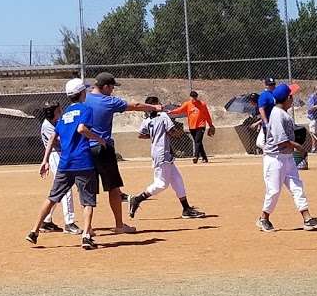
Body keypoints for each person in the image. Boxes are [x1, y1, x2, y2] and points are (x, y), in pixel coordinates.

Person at [28, 78, 106, 250]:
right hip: (83, 162)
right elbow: (82, 129)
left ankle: (34, 230)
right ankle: (86, 236)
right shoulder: (85, 109)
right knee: (87, 201)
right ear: (82, 93)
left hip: (65, 163)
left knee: (52, 198)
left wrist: (44, 160)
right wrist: (100, 139)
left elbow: (53, 138)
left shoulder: (64, 116)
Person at [85, 72, 162, 234]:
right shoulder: (109, 101)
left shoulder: (84, 98)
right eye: (111, 87)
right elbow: (135, 106)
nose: (113, 90)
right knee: (113, 188)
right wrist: (154, 107)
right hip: (103, 148)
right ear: (105, 87)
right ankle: (119, 225)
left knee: (89, 189)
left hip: (85, 149)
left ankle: (88, 228)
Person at [257, 83, 317, 233]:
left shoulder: (283, 113)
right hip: (275, 158)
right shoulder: (276, 114)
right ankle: (263, 218)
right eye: (291, 96)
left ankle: (307, 219)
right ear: (288, 98)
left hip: (286, 157)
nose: (292, 98)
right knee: (274, 191)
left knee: (297, 187)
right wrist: (300, 147)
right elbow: (281, 141)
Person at [128, 97, 206, 219]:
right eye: (157, 103)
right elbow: (172, 131)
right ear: (153, 105)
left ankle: (186, 209)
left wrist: (156, 135)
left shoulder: (147, 120)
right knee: (161, 184)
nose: (160, 105)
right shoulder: (163, 116)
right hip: (162, 153)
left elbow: (141, 135)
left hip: (161, 153)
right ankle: (137, 199)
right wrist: (179, 133)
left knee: (177, 180)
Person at [38, 102, 82, 235]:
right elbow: (59, 142)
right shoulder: (47, 125)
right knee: (66, 189)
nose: (61, 112)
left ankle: (46, 221)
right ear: (52, 112)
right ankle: (69, 223)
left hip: (61, 155)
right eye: (58, 110)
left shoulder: (57, 122)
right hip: (56, 156)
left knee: (57, 190)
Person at [169, 90, 215, 163]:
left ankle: (195, 156)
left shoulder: (202, 104)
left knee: (197, 141)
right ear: (190, 97)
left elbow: (207, 115)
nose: (194, 99)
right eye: (192, 97)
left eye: (195, 97)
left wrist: (210, 125)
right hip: (192, 126)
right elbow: (179, 110)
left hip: (201, 125)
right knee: (198, 142)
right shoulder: (187, 104)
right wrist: (171, 112)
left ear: (197, 97)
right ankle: (204, 158)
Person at [255, 78, 277, 151]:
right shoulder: (264, 95)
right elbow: (261, 109)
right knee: (270, 143)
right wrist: (266, 122)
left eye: (273, 84)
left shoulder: (274, 94)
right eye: (270, 85)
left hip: (276, 122)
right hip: (269, 123)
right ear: (266, 86)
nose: (272, 86)